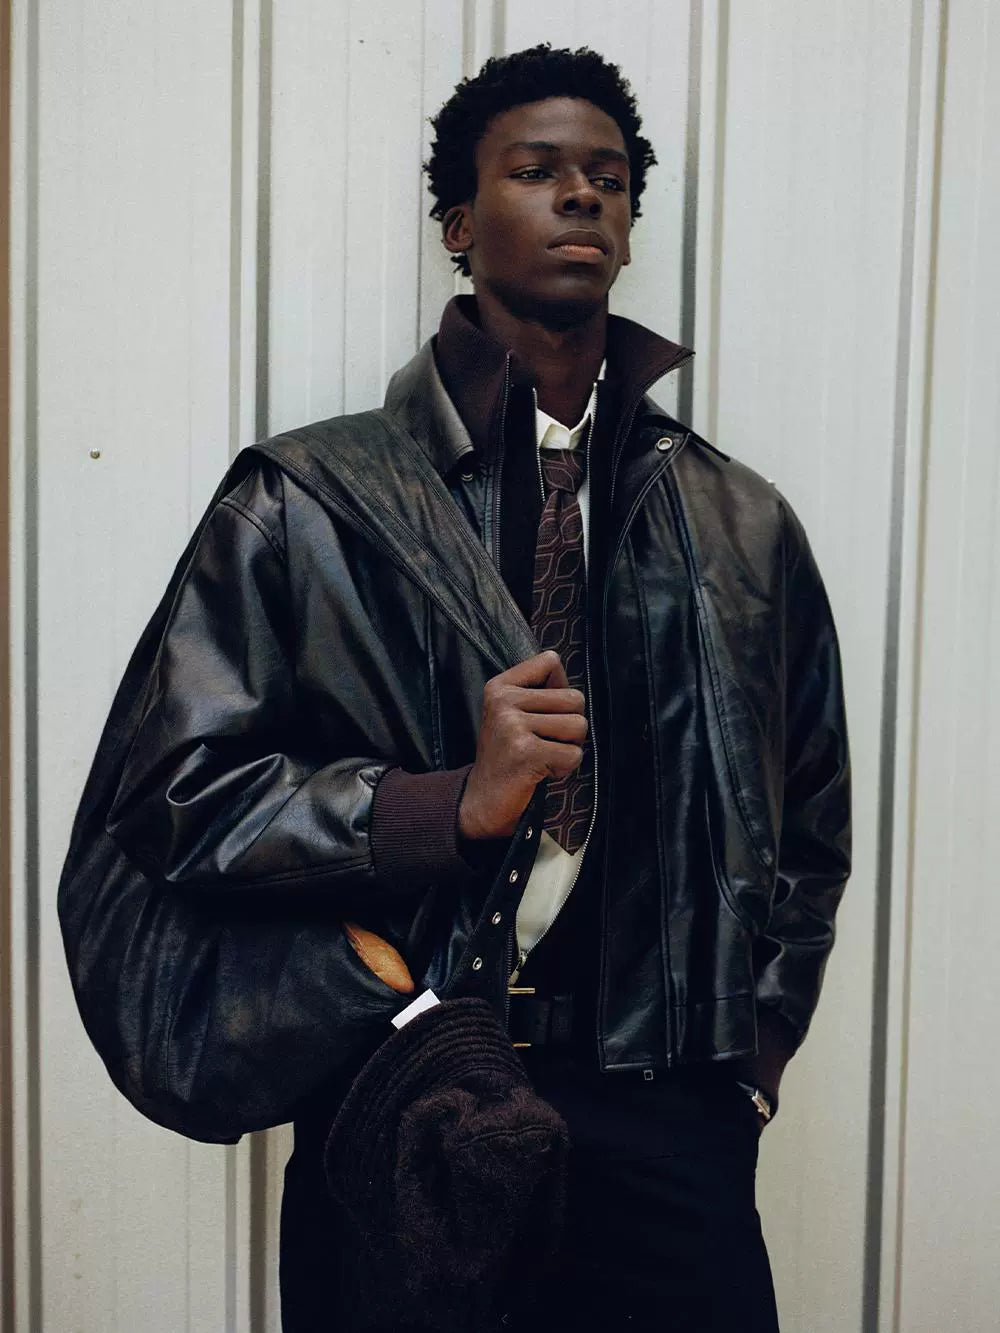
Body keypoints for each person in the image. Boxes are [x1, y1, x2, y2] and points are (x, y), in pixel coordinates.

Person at [59, 43, 851, 1333]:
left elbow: (809, 822)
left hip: (670, 1122)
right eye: (535, 170)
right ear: (458, 224)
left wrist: (749, 1063)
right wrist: (438, 808)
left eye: (609, 178)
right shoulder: (309, 502)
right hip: (403, 1085)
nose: (581, 195)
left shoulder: (741, 524)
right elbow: (171, 796)